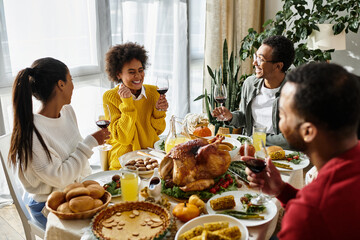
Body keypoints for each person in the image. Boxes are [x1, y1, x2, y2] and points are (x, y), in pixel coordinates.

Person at [244, 63, 360, 239]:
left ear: (307, 132)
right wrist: (282, 190)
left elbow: (315, 213)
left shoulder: (306, 216)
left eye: (282, 115)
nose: (280, 123)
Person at [8, 57, 110, 228]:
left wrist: (92, 188)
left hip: (74, 193)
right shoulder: (32, 133)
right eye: (71, 80)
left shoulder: (68, 111)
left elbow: (78, 161)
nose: (73, 85)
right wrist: (90, 142)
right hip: (49, 205)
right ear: (61, 84)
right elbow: (60, 178)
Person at [212, 35, 295, 149]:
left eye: (260, 59)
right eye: (256, 56)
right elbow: (244, 117)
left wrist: (255, 139)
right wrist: (230, 117)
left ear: (278, 66)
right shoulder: (250, 84)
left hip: (280, 153)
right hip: (250, 148)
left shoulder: (295, 92)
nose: (254, 62)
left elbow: (291, 138)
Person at [104, 42, 168, 170]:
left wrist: (159, 111)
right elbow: (124, 138)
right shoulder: (110, 97)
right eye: (131, 72)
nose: (138, 76)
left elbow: (159, 130)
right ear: (118, 74)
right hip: (124, 161)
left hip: (151, 157)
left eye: (140, 70)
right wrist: (127, 103)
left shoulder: (153, 92)